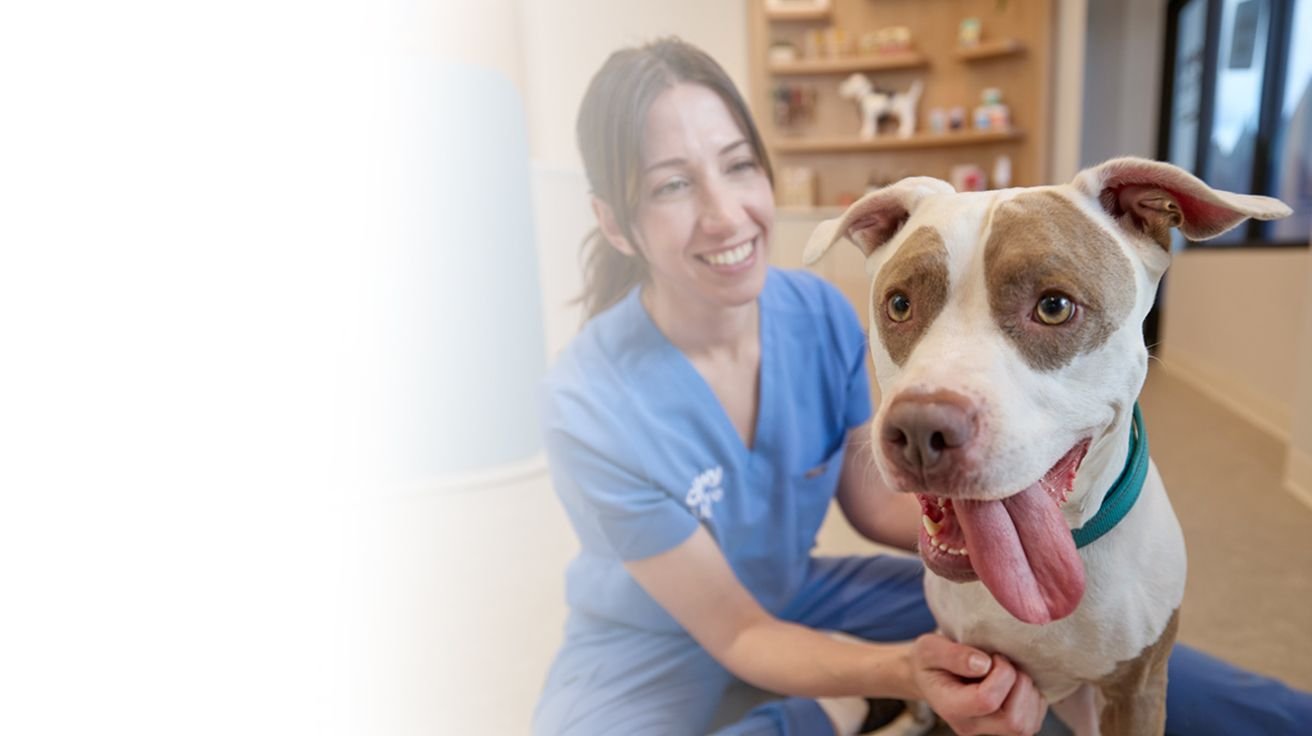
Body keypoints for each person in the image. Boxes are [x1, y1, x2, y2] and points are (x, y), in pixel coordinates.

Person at [531, 37, 1310, 736]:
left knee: (1164, 667)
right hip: (650, 634)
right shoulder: (584, 401)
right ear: (615, 221)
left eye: (739, 165)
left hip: (807, 588)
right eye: (671, 186)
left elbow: (875, 507)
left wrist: (1053, 523)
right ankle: (826, 709)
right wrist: (904, 673)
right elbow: (735, 633)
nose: (724, 213)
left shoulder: (814, 314)